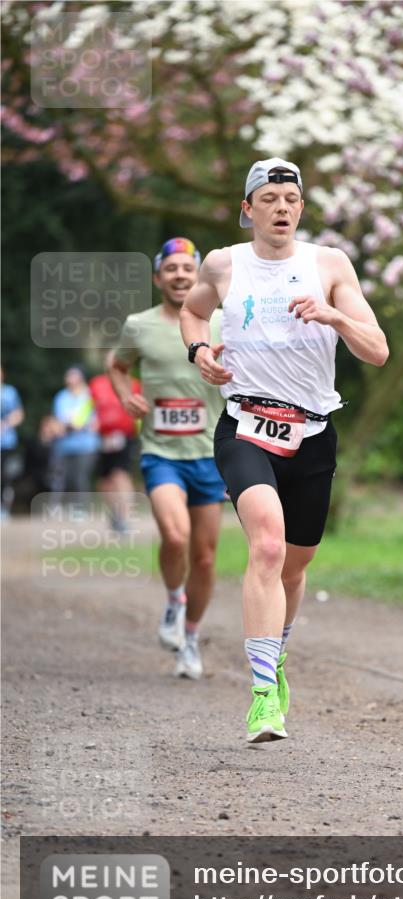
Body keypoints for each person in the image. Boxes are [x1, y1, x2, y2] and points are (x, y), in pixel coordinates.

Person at [180, 157, 389, 743]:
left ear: (301, 208)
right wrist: (198, 352)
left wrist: (334, 314)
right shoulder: (224, 264)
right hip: (245, 425)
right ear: (247, 209)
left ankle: (278, 650)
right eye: (268, 199)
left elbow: (377, 350)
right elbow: (193, 313)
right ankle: (263, 695)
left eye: (290, 200)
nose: (281, 208)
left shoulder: (328, 265)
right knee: (266, 545)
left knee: (294, 567)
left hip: (314, 434)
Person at [108, 237, 227, 680]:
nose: (179, 274)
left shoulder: (221, 323)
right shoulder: (138, 325)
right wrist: (126, 397)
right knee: (175, 537)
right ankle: (175, 599)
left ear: (198, 275)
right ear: (158, 277)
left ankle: (191, 639)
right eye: (170, 268)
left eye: (186, 268)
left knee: (206, 557)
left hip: (211, 454)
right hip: (162, 452)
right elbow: (117, 366)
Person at [90, 353, 141, 533]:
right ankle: (115, 515)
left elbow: (140, 411)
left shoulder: (133, 384)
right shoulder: (96, 384)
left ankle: (126, 518)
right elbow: (87, 408)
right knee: (104, 482)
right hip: (103, 438)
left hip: (124, 437)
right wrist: (87, 422)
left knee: (120, 475)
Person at [51, 365, 99, 501]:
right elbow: (58, 419)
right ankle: (67, 506)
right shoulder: (61, 397)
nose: (70, 379)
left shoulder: (90, 396)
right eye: (68, 375)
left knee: (81, 477)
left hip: (86, 444)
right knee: (67, 478)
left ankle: (81, 507)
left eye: (73, 375)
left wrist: (82, 425)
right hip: (65, 445)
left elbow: (96, 420)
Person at [0, 366, 25, 518]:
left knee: (4, 476)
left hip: (6, 443)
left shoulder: (10, 392)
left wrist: (6, 423)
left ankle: (3, 508)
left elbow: (19, 414)